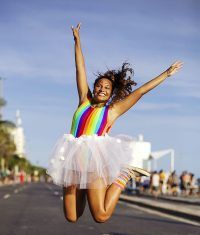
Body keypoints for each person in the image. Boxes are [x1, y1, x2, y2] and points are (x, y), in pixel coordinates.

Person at [46, 23, 183, 223]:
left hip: (94, 165)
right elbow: (80, 68)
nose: (102, 88)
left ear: (111, 93)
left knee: (101, 216)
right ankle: (84, 189)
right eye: (99, 85)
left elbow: (140, 91)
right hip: (73, 164)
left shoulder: (111, 111)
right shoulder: (84, 101)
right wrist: (77, 41)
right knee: (72, 217)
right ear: (93, 88)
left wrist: (166, 73)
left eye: (107, 87)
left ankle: (123, 176)